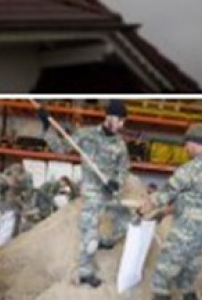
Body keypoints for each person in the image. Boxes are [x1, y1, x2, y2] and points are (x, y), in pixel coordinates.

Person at [41, 100, 130, 288]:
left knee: (125, 219)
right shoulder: (85, 134)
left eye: (123, 121)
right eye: (120, 120)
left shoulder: (120, 144)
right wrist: (47, 127)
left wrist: (117, 182)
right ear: (110, 117)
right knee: (89, 233)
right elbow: (60, 149)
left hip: (110, 191)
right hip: (92, 193)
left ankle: (106, 241)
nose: (122, 125)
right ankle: (85, 272)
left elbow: (123, 169)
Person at [139, 123, 202, 300]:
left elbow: (167, 192)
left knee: (160, 278)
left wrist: (147, 205)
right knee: (186, 282)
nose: (185, 147)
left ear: (194, 143)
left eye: (187, 143)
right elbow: (195, 201)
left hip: (184, 235)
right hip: (201, 239)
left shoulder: (191, 169)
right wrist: (166, 212)